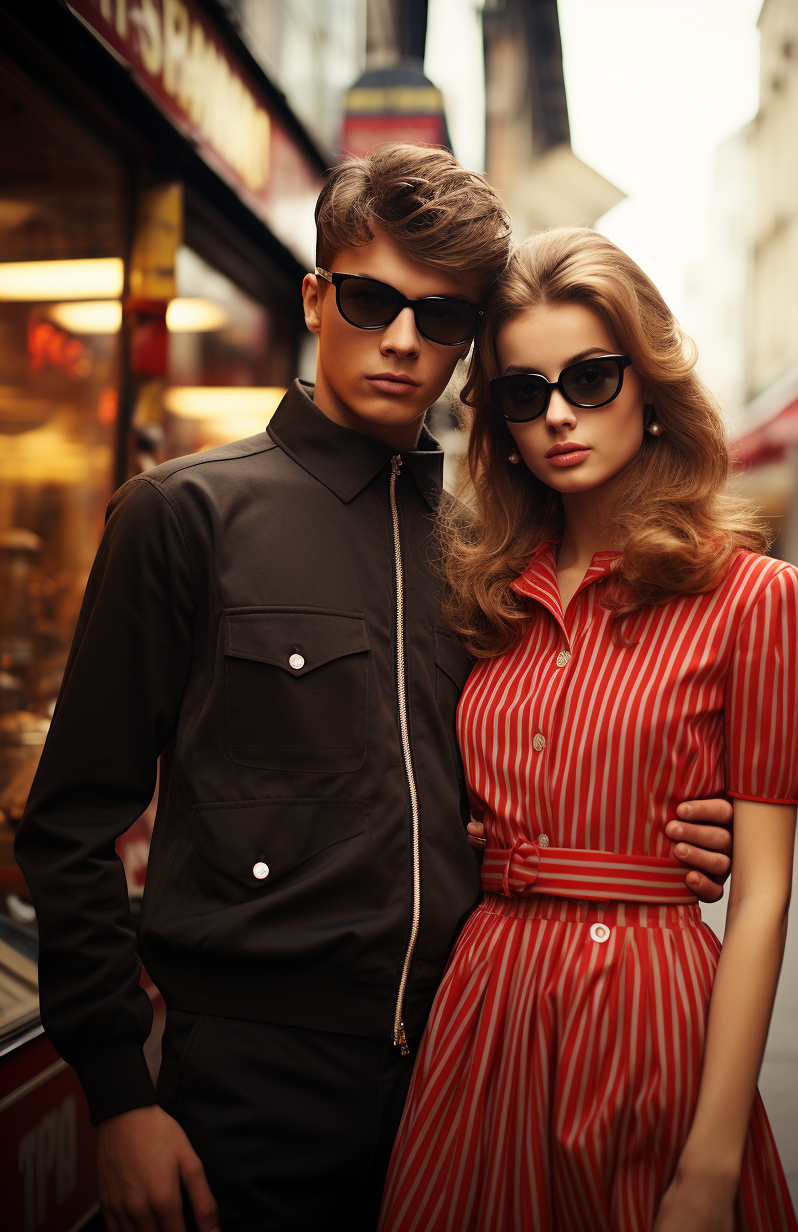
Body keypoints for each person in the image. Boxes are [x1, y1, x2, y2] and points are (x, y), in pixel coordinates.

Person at [15, 147, 734, 1232]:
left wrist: (674, 826)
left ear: (468, 345)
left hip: (467, 1067)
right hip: (250, 1085)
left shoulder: (488, 550)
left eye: (442, 317)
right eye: (370, 299)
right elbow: (68, 823)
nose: (403, 339)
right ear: (316, 297)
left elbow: (547, 755)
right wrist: (117, 1090)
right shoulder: (184, 515)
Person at [378, 228, 798, 1232]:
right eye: (523, 393)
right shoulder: (483, 595)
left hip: (644, 1002)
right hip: (486, 1006)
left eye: (589, 376)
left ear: (649, 385)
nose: (558, 415)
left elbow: (761, 892)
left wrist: (711, 1161)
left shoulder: (757, 600)